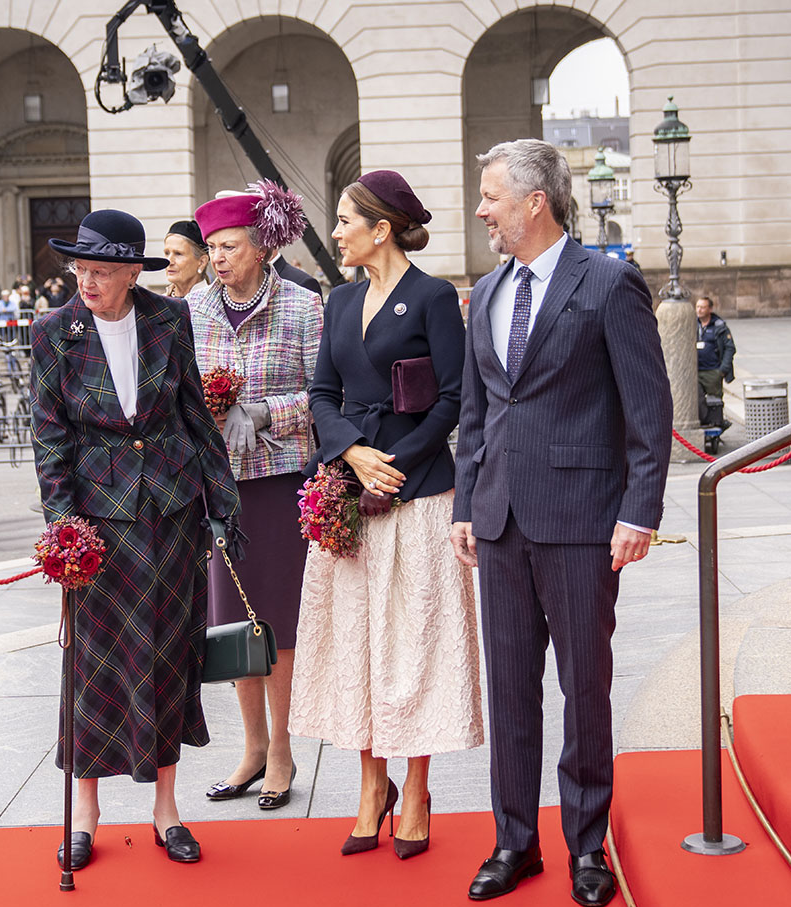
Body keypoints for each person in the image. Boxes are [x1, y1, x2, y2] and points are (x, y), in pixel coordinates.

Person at [449, 140, 672, 907]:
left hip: (581, 520)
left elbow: (648, 407)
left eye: (492, 197)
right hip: (500, 521)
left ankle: (586, 844)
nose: (482, 210)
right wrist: (466, 504)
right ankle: (514, 841)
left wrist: (639, 509)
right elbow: (478, 410)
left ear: (535, 200)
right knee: (510, 691)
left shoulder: (608, 282)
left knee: (584, 688)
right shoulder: (486, 291)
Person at [31, 208, 240, 869]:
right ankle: (86, 812)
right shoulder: (52, 331)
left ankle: (166, 809)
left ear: (130, 273)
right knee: (92, 667)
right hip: (96, 523)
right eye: (81, 268)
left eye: (100, 271)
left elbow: (193, 413)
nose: (86, 281)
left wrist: (222, 502)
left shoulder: (168, 318)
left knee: (170, 657)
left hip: (172, 512)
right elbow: (50, 438)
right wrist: (65, 530)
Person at [289, 170, 484, 859]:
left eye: (345, 220)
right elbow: (321, 392)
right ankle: (373, 786)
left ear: (381, 228)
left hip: (419, 490)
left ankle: (418, 789)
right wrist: (352, 452)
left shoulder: (433, 296)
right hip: (351, 489)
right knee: (357, 644)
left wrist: (391, 465)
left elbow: (455, 397)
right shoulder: (339, 300)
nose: (335, 231)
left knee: (414, 644)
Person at [191, 182, 323, 811]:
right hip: (220, 485)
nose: (218, 258)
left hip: (281, 482)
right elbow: (177, 390)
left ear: (263, 246)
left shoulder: (302, 306)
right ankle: (251, 746)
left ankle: (282, 752)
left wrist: (267, 412)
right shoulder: (193, 308)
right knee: (231, 621)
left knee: (280, 620)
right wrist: (206, 413)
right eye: (212, 247)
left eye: (230, 246)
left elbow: (326, 395)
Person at [696, 296, 735, 426]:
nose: (699, 310)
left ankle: (717, 423)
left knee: (715, 402)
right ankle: (704, 422)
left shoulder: (719, 326)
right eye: (697, 307)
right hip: (696, 371)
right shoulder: (692, 324)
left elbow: (730, 348)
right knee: (697, 399)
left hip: (713, 371)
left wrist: (722, 370)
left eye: (703, 307)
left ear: (710, 309)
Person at [163, 220, 210, 300]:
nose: (169, 261)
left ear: (202, 262)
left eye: (178, 254)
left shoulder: (212, 302)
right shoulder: (159, 303)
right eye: (167, 253)